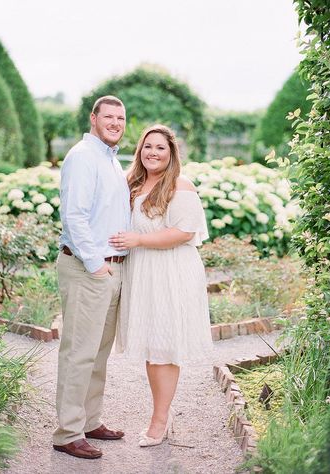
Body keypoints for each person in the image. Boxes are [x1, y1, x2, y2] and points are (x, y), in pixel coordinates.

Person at [109, 124, 213, 447]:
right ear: (140, 150)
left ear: (171, 154)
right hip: (144, 272)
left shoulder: (180, 185)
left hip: (171, 272)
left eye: (161, 148)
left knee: (164, 347)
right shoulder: (134, 183)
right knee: (152, 347)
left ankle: (160, 419)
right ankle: (160, 415)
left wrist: (139, 239)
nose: (153, 153)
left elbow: (184, 231)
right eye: (148, 146)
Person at [52, 96, 131, 459]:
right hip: (88, 269)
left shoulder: (109, 159)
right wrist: (97, 263)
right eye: (109, 117)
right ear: (94, 119)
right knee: (79, 353)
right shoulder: (84, 156)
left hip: (108, 269)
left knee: (97, 354)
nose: (115, 123)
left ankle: (89, 421)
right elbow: (74, 216)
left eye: (121, 117)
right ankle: (67, 433)